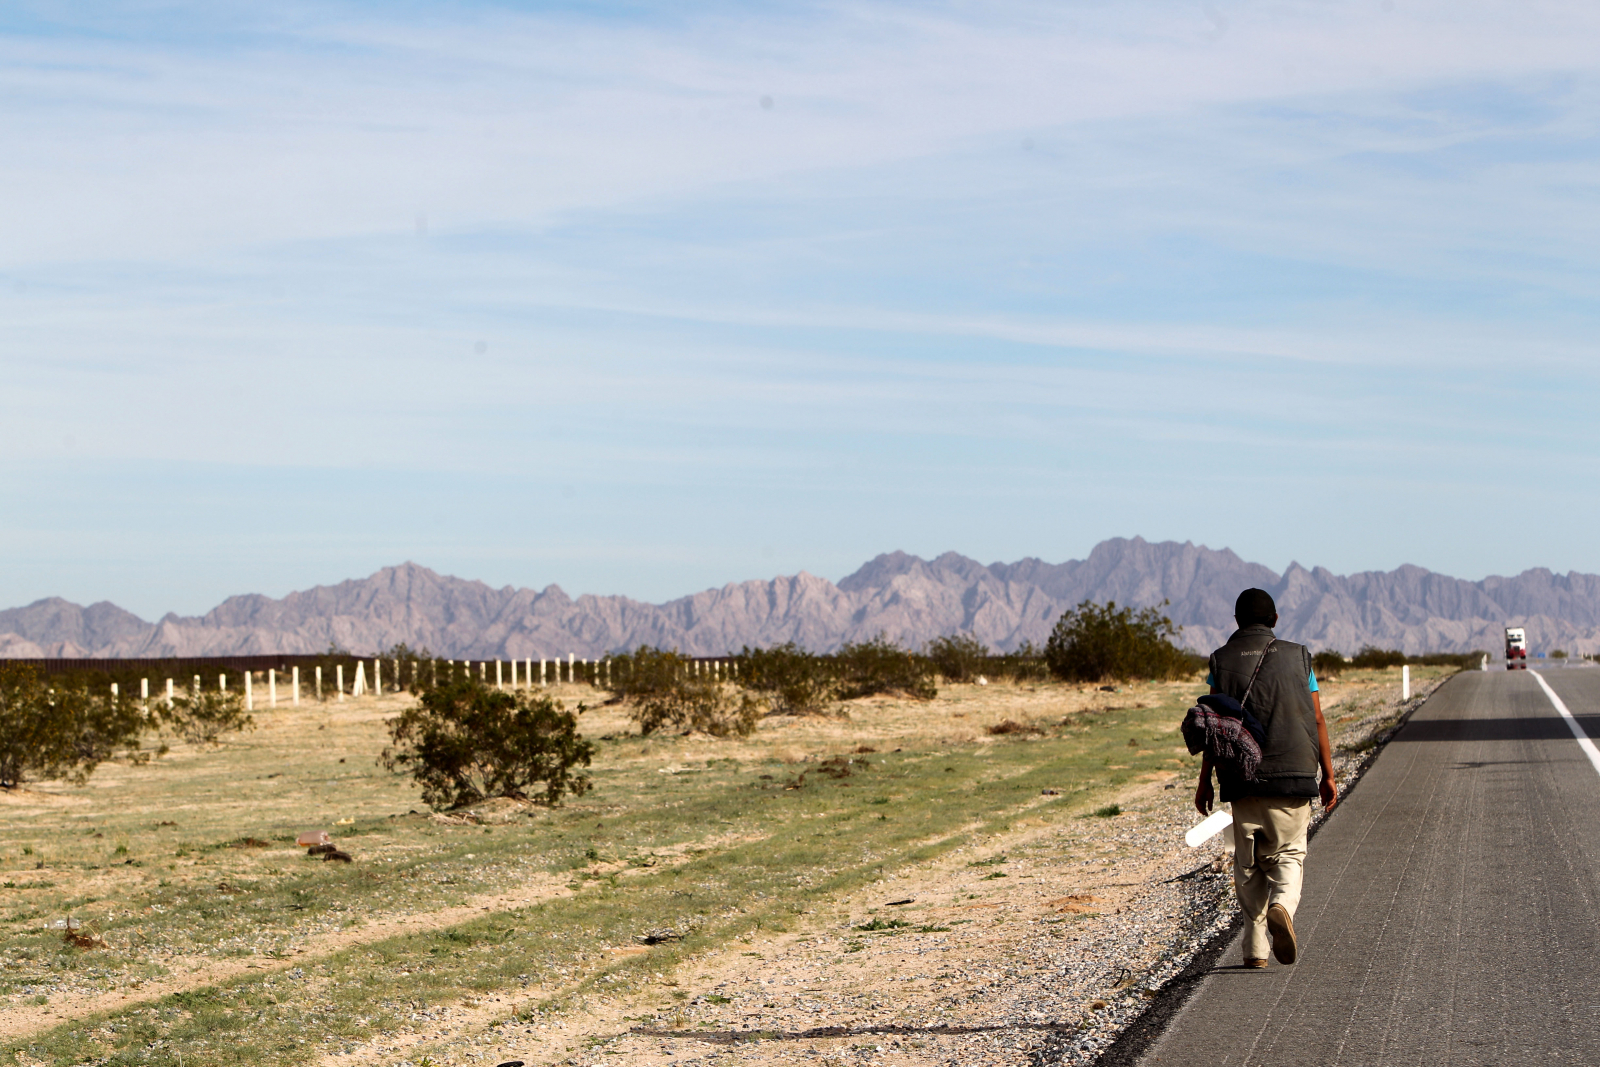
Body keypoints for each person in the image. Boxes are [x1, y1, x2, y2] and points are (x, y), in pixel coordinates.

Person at [1195, 588, 1337, 968]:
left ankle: (1255, 949)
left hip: (1240, 779)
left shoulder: (1220, 661)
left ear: (1237, 621)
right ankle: (1282, 907)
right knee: (1289, 854)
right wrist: (1328, 775)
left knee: (1248, 864)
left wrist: (1205, 779)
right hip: (1293, 777)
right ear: (1275, 620)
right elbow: (1318, 718)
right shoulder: (1299, 656)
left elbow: (1215, 725)